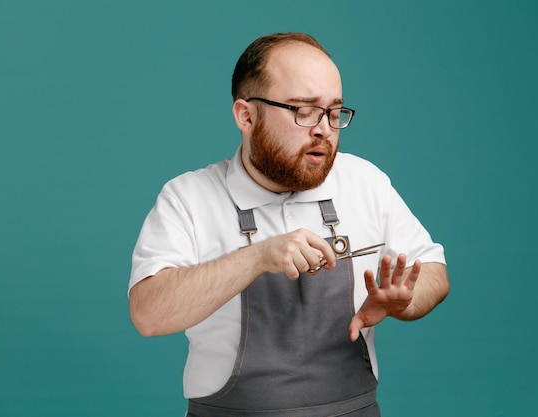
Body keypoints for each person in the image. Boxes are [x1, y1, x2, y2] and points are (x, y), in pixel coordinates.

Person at [128, 32, 449, 417]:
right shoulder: (189, 197)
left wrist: (404, 301)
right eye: (303, 110)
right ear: (246, 116)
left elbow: (433, 270)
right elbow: (148, 314)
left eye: (334, 112)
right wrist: (256, 257)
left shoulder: (365, 182)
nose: (324, 129)